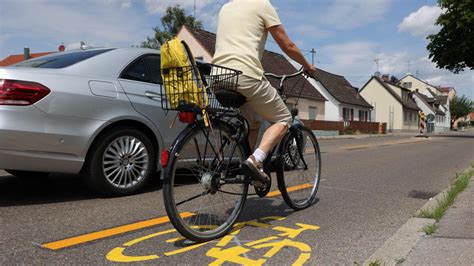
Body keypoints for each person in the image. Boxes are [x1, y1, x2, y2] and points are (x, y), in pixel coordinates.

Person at [212, 0, 317, 185]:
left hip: (218, 76)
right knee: (284, 119)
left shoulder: (226, 8)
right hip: (246, 75)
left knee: (253, 121)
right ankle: (256, 159)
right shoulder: (262, 5)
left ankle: (246, 167)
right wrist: (306, 65)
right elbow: (287, 45)